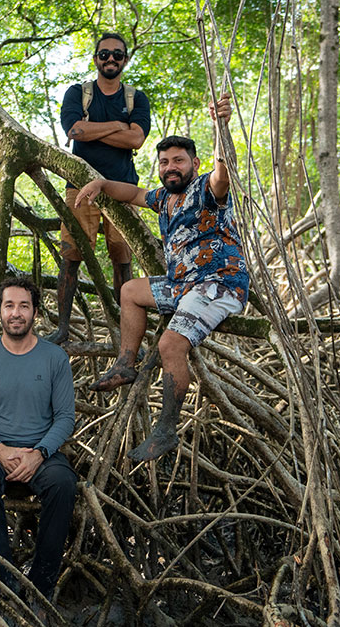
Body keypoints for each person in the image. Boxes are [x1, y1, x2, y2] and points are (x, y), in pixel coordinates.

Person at [75, 94, 248, 461]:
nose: (171, 167)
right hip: (183, 285)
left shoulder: (205, 189)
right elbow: (135, 192)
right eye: (165, 161)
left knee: (171, 345)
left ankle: (167, 430)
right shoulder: (164, 198)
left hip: (217, 284)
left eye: (179, 161)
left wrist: (222, 127)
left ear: (194, 164)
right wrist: (102, 185)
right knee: (131, 290)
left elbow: (223, 174)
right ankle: (125, 363)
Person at [0, 277, 77, 604]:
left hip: (41, 452)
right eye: (9, 305)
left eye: (24, 306)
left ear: (35, 313)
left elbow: (66, 416)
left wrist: (38, 453)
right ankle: (3, 578)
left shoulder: (54, 359)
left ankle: (41, 585)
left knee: (64, 484)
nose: (16, 313)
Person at [48, 32, 152, 344]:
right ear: (96, 58)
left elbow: (137, 140)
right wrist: (119, 126)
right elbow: (74, 130)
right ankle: (63, 328)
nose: (110, 59)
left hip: (123, 190)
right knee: (71, 255)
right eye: (104, 54)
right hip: (80, 187)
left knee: (122, 259)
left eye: (117, 55)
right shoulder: (78, 93)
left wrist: (92, 131)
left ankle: (126, 332)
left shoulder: (136, 98)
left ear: (125, 60)